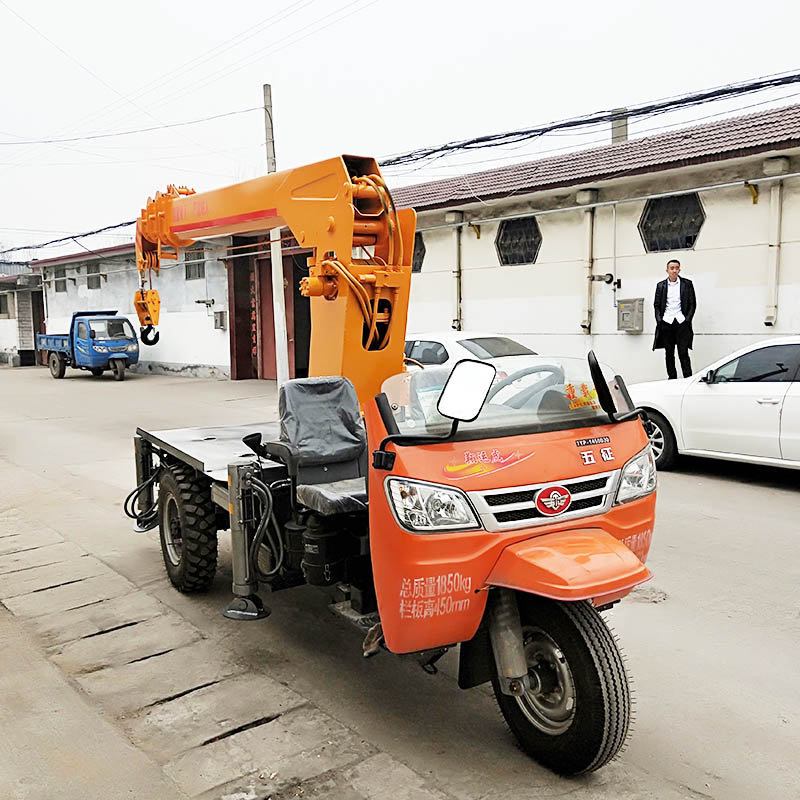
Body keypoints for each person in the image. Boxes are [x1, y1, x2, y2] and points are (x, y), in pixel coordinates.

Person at [652, 259, 696, 379]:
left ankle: (688, 378)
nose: (674, 270)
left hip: (682, 323)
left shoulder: (687, 284)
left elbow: (693, 304)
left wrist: (687, 320)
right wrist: (659, 321)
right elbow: (656, 305)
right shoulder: (661, 286)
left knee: (683, 352)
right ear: (667, 270)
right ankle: (672, 379)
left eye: (677, 268)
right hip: (666, 323)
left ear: (679, 269)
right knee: (669, 353)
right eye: (672, 268)